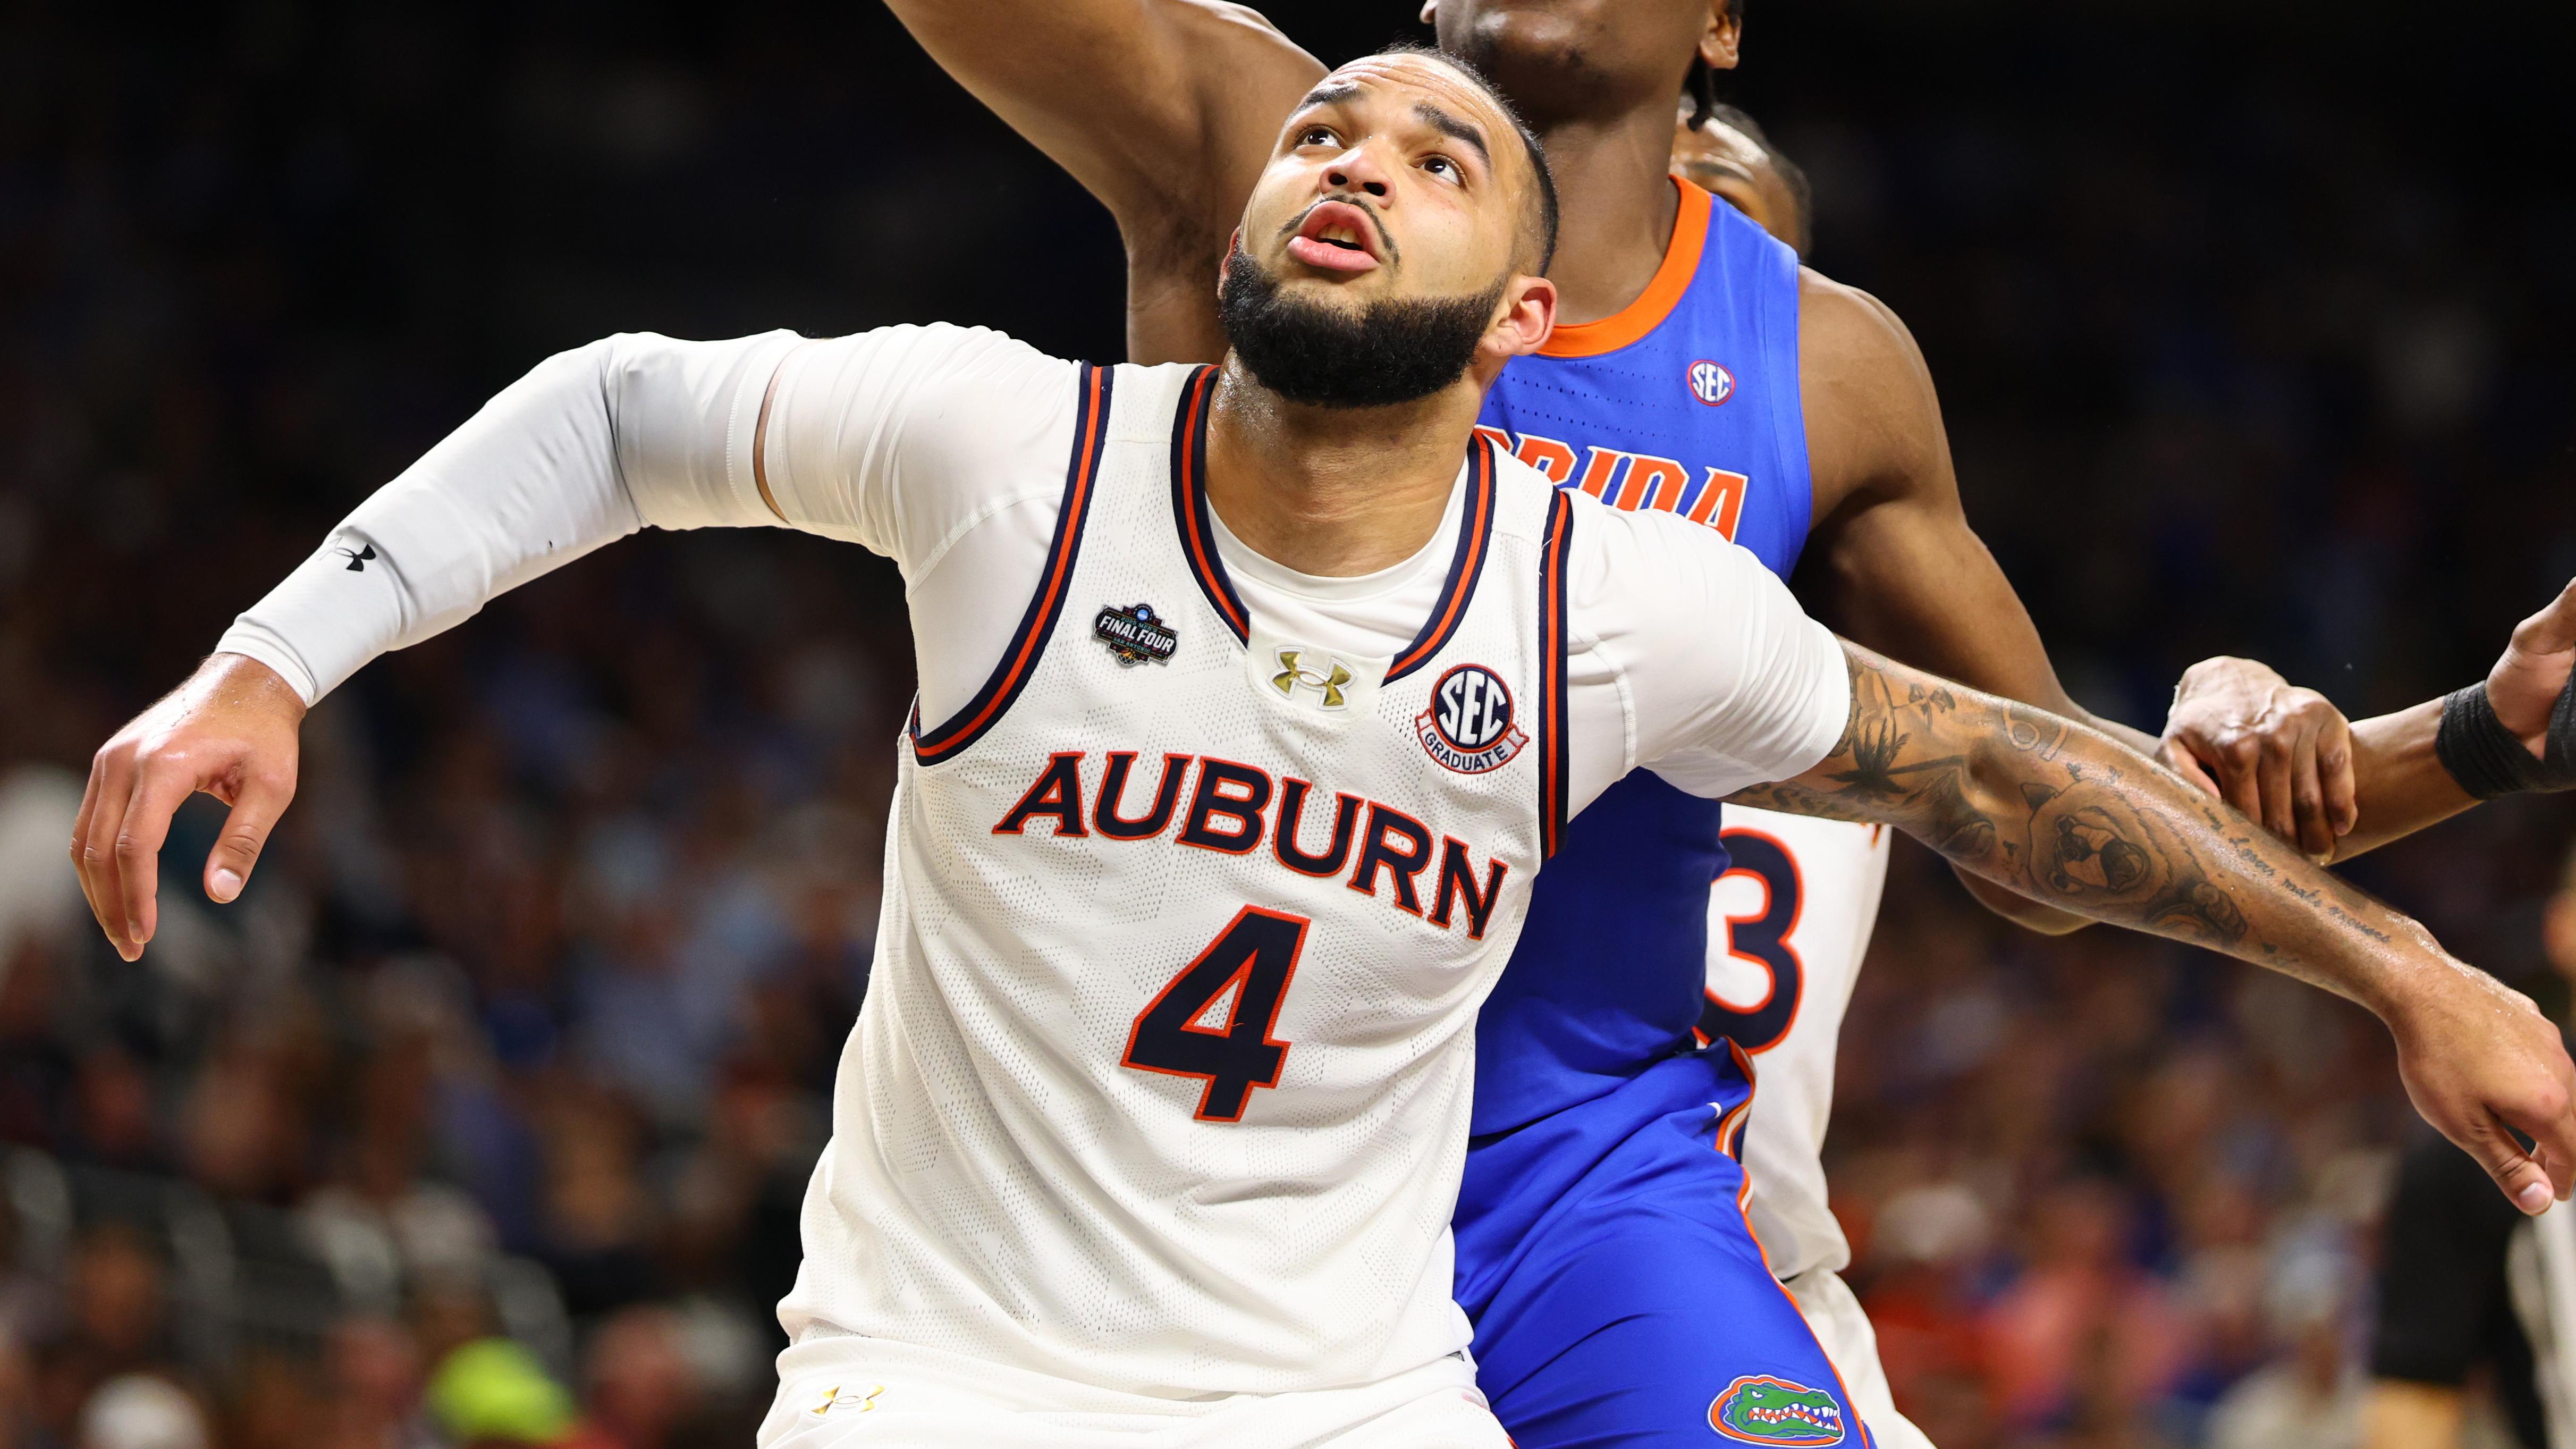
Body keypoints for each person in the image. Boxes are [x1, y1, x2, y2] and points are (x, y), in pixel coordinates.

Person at [66, 46, 2576, 1449]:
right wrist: (280, 648)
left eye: (1432, 153)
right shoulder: (1024, 431)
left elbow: (2037, 795)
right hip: (986, 1349)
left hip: (1480, 1254)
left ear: (1535, 320)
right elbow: (622, 410)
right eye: (1328, 137)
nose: (1360, 157)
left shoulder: (1659, 553)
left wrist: (2413, 917)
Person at [876, 2, 2576, 1441]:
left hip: (1570, 1173)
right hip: (1190, 1165)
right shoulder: (1290, 151)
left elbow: (2044, 805)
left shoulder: (1819, 369)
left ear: (1721, 24)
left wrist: (2473, 758)